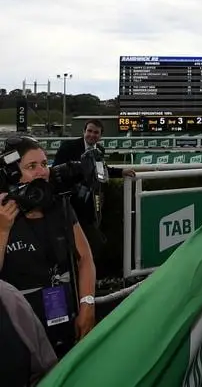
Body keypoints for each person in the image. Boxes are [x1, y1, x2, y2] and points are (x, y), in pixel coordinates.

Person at [0, 136, 97, 359]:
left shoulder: (59, 205)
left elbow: (85, 258)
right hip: (19, 330)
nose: (42, 172)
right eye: (31, 166)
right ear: (12, 175)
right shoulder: (2, 214)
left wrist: (87, 304)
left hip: (65, 318)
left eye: (44, 164)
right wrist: (3, 230)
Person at [53, 119, 135, 240]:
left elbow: (101, 169)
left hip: (90, 202)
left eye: (96, 132)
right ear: (84, 131)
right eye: (89, 131)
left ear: (100, 135)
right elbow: (56, 171)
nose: (92, 135)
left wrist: (121, 172)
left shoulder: (100, 150)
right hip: (69, 201)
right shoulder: (68, 147)